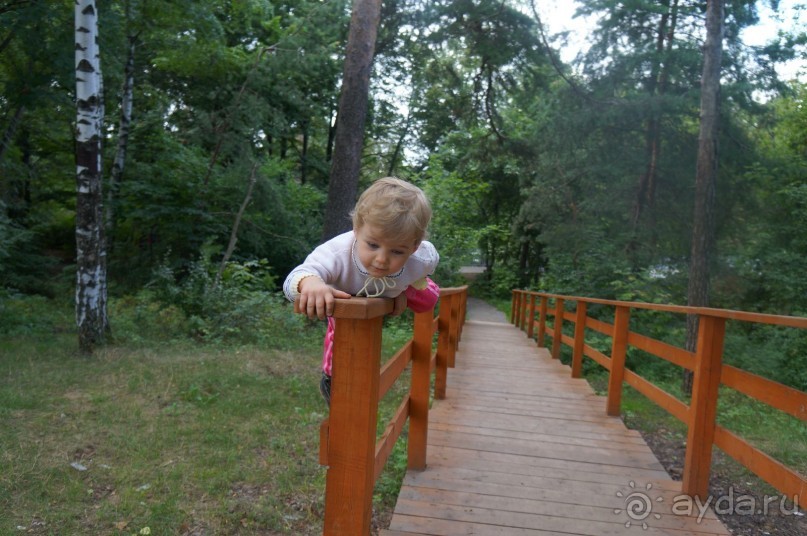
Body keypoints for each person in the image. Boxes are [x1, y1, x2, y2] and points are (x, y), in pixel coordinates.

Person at [283, 177, 440, 404]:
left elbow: (433, 262)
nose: (382, 259)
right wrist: (311, 284)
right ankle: (331, 378)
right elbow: (293, 279)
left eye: (397, 251)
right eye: (373, 245)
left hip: (400, 284)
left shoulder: (421, 257)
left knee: (428, 301)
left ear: (413, 247)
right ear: (356, 229)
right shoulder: (338, 253)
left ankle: (405, 289)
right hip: (351, 293)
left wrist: (407, 289)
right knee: (343, 323)